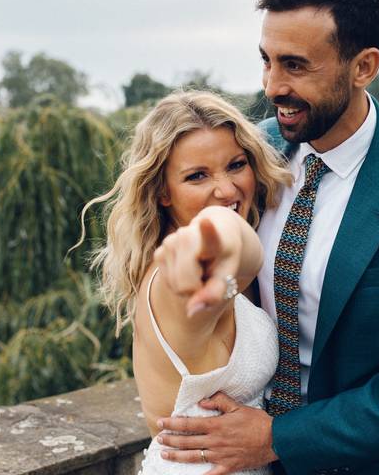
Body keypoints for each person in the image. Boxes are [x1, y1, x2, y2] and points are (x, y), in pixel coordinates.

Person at [156, 0, 379, 475]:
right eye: (266, 60)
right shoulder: (248, 157)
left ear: (364, 67)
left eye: (295, 65)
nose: (271, 86)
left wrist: (278, 438)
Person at [78, 90, 292, 474]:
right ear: (162, 191)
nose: (226, 189)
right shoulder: (173, 284)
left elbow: (238, 269)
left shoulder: (221, 281)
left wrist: (228, 266)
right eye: (197, 176)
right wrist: (224, 236)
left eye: (236, 165)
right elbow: (236, 248)